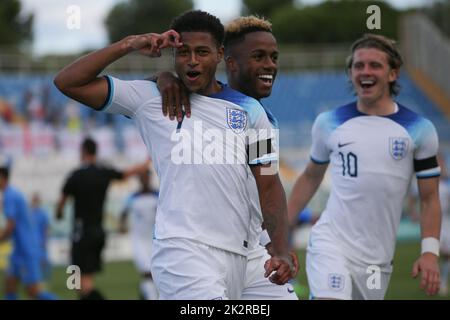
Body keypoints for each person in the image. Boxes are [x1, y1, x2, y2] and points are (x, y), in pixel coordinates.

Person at [54, 10, 295, 300]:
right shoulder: (149, 99)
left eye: (202, 52)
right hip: (184, 252)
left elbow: (268, 182)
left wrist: (280, 249)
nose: (192, 60)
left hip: (248, 256)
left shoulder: (253, 113)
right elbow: (68, 82)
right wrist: (130, 44)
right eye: (183, 53)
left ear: (219, 54)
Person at [287, 34, 442, 299]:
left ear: (393, 74)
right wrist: (282, 231)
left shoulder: (420, 130)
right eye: (358, 66)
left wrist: (429, 252)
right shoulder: (328, 123)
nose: (365, 72)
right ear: (350, 73)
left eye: (375, 65)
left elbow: (429, 198)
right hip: (331, 241)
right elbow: (311, 177)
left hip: (376, 261)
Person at [155, 15, 298, 299]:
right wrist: (162, 77)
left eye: (273, 57)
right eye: (259, 57)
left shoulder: (260, 119)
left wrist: (276, 244)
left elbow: (266, 186)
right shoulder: (194, 102)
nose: (269, 65)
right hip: (199, 253)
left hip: (252, 252)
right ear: (228, 61)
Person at [55, 137, 149, 300]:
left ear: (83, 152)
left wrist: (59, 213)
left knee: (80, 284)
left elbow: (61, 202)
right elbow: (126, 173)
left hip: (81, 234)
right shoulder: (103, 172)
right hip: (98, 233)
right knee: (82, 283)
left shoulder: (76, 176)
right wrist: (147, 162)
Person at [0, 164, 57, 300]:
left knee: (33, 291)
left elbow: (10, 226)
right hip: (19, 250)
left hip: (26, 250)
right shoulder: (11, 194)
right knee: (10, 285)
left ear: (2, 178)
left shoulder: (10, 195)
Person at [119, 170, 159, 300]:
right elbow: (123, 213)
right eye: (142, 177)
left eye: (146, 177)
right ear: (139, 180)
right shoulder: (133, 197)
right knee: (147, 272)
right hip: (139, 240)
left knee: (155, 273)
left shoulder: (157, 195)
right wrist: (122, 225)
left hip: (155, 240)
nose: (145, 179)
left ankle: (144, 293)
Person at [30, 192, 51, 281]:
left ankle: (45, 277)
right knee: (33, 260)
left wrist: (45, 240)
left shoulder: (42, 213)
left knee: (43, 260)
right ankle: (35, 278)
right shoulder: (29, 213)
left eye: (36, 200)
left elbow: (46, 227)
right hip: (31, 241)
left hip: (40, 240)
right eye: (34, 200)